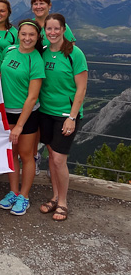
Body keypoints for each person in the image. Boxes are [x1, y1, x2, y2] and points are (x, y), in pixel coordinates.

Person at [38, 13, 87, 221]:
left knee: (58, 159)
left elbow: (82, 87)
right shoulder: (42, 53)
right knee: (51, 157)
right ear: (44, 31)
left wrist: (72, 117)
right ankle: (55, 196)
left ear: (64, 30)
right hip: (45, 111)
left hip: (66, 114)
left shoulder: (75, 54)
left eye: (56, 28)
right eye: (49, 29)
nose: (52, 32)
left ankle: (63, 203)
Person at [0, 20, 45, 216]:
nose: (27, 38)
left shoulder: (36, 60)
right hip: (6, 111)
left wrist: (19, 126)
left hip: (27, 114)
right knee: (12, 154)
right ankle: (13, 192)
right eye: (24, 34)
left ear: (37, 37)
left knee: (26, 155)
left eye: (31, 35)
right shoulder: (9, 51)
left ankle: (24, 196)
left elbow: (32, 97)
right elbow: (0, 73)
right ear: (18, 34)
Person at [30, 0, 76, 174]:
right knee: (36, 127)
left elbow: (71, 52)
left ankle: (54, 162)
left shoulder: (60, 25)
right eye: (35, 3)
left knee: (53, 132)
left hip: (56, 85)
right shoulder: (31, 26)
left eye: (43, 3)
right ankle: (36, 157)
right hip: (37, 83)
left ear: (50, 6)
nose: (39, 6)